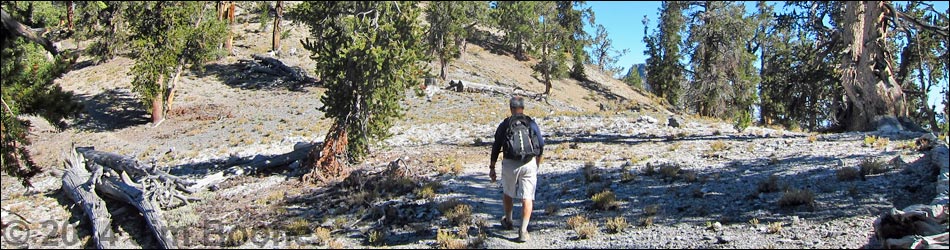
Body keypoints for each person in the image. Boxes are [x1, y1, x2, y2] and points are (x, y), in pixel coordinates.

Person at [489, 96, 544, 242]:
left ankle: (509, 220)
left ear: (511, 108)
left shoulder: (505, 124)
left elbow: (496, 146)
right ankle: (523, 230)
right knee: (527, 197)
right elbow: (541, 144)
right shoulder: (530, 122)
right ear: (523, 108)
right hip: (529, 162)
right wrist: (536, 163)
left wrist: (492, 167)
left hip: (510, 163)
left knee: (508, 192)